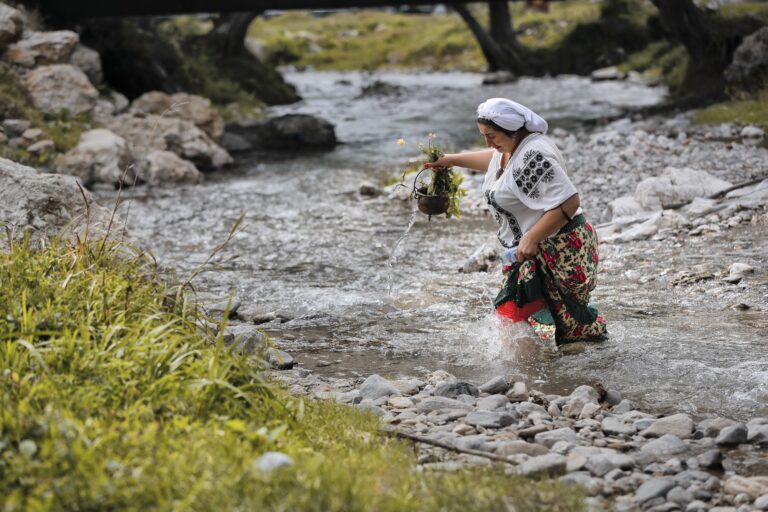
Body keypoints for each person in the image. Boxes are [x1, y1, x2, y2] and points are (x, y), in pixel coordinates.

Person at [426, 98, 607, 346]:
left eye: (491, 136)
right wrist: (451, 160)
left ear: (512, 130)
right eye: (483, 135)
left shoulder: (534, 154)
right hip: (533, 249)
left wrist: (532, 237)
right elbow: (492, 159)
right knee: (529, 319)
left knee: (519, 319)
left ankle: (523, 378)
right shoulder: (509, 149)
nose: (487, 142)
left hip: (563, 247)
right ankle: (543, 376)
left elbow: (570, 202)